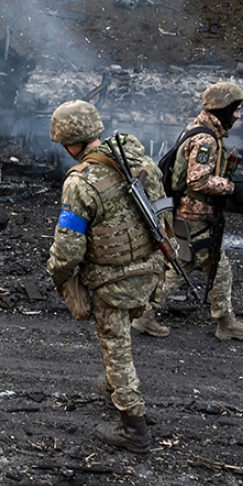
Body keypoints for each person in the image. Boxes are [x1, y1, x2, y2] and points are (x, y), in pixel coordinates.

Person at [46, 99, 166, 454]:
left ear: (71, 143)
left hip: (112, 282)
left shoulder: (80, 182)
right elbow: (164, 216)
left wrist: (57, 275)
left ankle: (134, 426)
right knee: (123, 336)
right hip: (151, 270)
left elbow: (68, 248)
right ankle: (116, 386)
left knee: (117, 348)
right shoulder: (143, 163)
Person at [132, 82, 243, 341]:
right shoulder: (206, 139)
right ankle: (226, 323)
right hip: (196, 214)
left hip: (185, 212)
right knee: (217, 267)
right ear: (223, 108)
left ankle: (145, 315)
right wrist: (233, 188)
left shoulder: (196, 129)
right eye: (236, 110)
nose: (238, 116)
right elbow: (197, 181)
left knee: (183, 264)